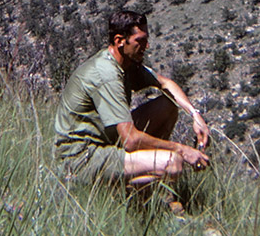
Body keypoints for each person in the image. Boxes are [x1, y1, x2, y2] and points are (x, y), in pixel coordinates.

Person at [54, 10, 210, 187]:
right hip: (81, 157)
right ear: (120, 41)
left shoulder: (126, 65)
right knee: (172, 162)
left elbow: (166, 84)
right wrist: (182, 150)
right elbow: (131, 140)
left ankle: (141, 179)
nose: (146, 46)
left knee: (168, 105)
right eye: (140, 40)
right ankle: (135, 193)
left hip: (107, 141)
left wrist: (195, 116)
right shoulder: (106, 74)